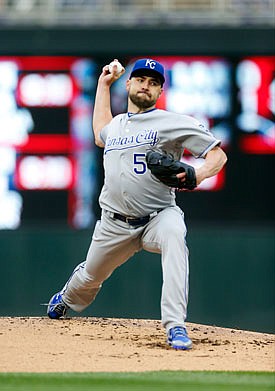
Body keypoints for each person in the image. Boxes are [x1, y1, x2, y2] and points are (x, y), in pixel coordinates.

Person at [47, 58, 227, 350]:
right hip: (114, 224)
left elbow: (218, 157)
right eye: (141, 79)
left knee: (174, 237)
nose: (147, 85)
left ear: (159, 92)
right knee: (90, 277)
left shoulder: (173, 123)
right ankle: (67, 298)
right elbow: (99, 132)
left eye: (154, 82)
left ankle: (175, 325)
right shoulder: (116, 126)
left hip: (158, 216)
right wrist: (103, 85)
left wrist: (198, 174)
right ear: (128, 84)